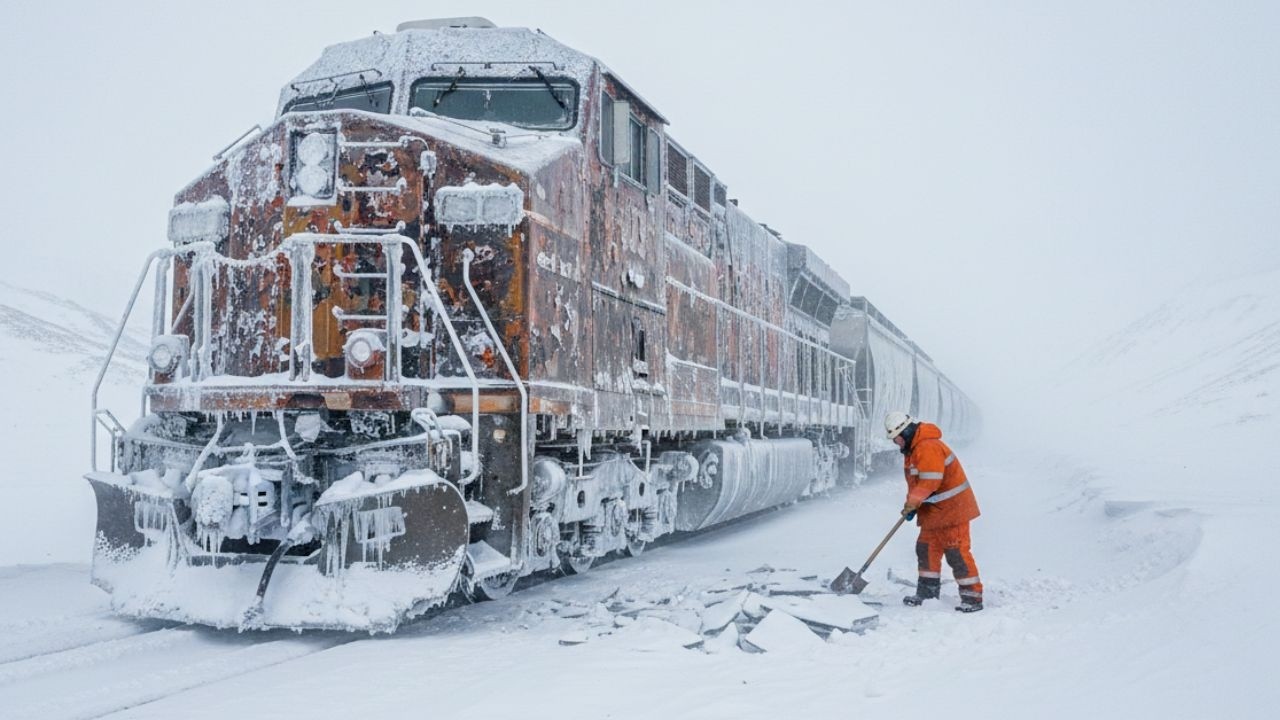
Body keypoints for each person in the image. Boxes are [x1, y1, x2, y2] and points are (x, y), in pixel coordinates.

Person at [885, 411, 984, 612]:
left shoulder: (927, 446)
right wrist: (911, 505)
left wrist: (913, 504)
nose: (896, 443)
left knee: (956, 553)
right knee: (926, 549)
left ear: (905, 432)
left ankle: (972, 597)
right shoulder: (914, 449)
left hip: (953, 511)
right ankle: (927, 593)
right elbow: (916, 484)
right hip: (935, 513)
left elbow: (930, 481)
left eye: (896, 438)